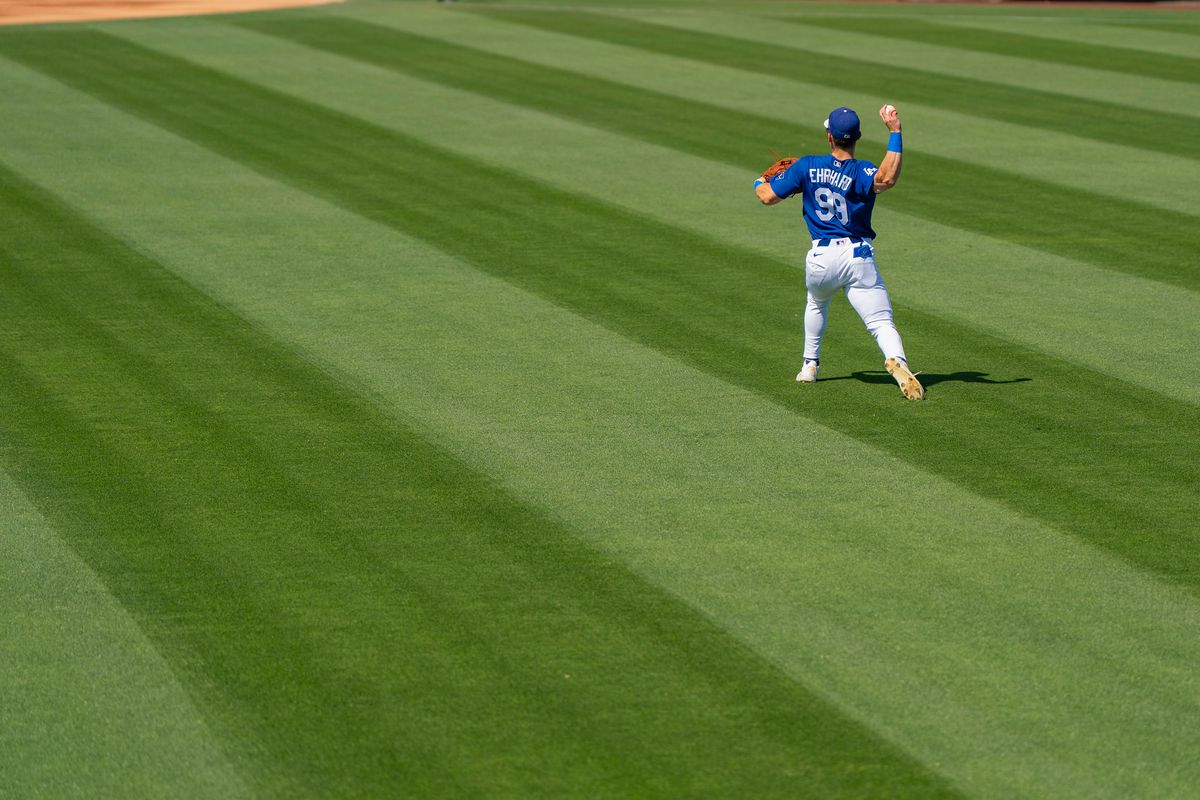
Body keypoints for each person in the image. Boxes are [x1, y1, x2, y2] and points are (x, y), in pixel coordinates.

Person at [754, 104, 924, 401]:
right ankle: (899, 362)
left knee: (817, 303)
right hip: (859, 258)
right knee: (881, 322)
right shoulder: (862, 171)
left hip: (822, 259)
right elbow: (886, 179)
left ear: (829, 137)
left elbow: (766, 197)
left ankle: (809, 365)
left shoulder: (806, 166)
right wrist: (895, 132)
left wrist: (761, 180)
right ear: (856, 137)